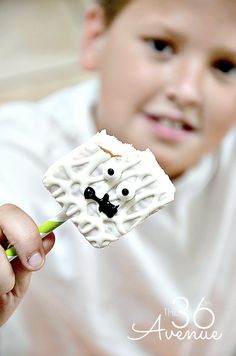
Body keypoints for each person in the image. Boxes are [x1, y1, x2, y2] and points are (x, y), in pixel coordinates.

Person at [1, 0, 236, 355]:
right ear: (96, 37)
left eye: (226, 66)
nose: (187, 91)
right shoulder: (16, 151)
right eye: (161, 46)